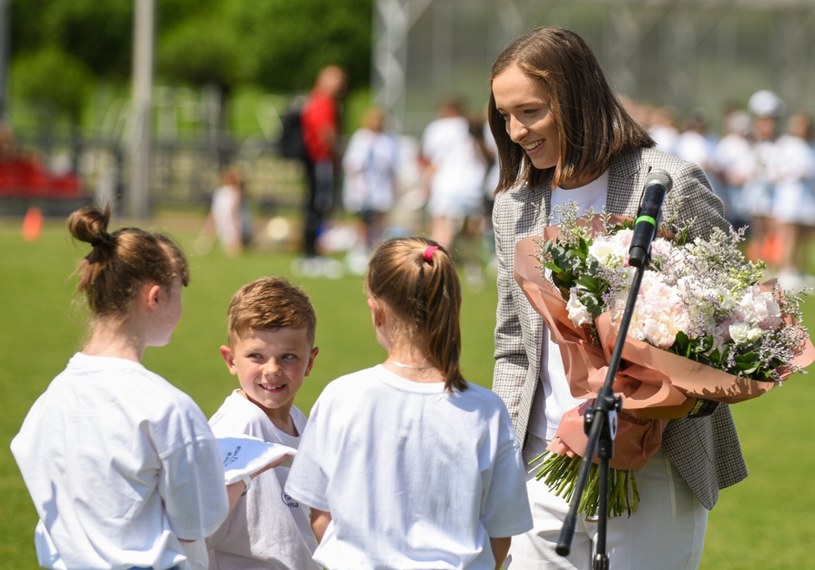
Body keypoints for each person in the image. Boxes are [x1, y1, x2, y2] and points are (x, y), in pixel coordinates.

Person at [487, 27, 745, 569]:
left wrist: (655, 402)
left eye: (529, 112)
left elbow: (734, 324)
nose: (515, 132)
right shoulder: (513, 204)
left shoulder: (670, 182)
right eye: (504, 116)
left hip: (656, 461)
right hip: (543, 459)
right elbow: (514, 343)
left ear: (575, 97)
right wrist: (506, 452)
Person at [10, 206, 259, 569]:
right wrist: (246, 476)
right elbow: (198, 523)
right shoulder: (166, 408)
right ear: (155, 296)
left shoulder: (48, 403)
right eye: (180, 290)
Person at [285, 237, 532, 569]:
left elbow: (319, 511)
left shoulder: (341, 397)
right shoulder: (486, 411)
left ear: (377, 311)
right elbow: (501, 533)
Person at [206, 277, 321, 569]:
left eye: (288, 357)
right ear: (230, 359)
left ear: (309, 362)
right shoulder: (237, 427)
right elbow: (200, 522)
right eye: (256, 356)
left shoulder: (299, 421)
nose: (272, 370)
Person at [419, 96, 490, 284]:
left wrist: (425, 183)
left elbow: (429, 158)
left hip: (444, 185)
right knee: (471, 233)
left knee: (441, 233)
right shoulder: (471, 125)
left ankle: (432, 268)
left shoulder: (437, 128)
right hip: (471, 185)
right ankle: (472, 268)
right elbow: (486, 154)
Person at [296, 65, 347, 276]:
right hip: (321, 159)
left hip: (316, 159)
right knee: (319, 205)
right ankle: (311, 254)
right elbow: (326, 132)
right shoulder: (323, 102)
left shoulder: (312, 100)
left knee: (315, 205)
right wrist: (338, 155)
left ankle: (312, 252)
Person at [341, 106, 400, 274]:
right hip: (363, 187)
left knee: (379, 220)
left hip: (381, 187)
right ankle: (359, 251)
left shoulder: (387, 140)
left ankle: (375, 251)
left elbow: (392, 164)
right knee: (363, 220)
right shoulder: (361, 138)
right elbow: (353, 163)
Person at [196, 165, 253, 257]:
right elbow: (233, 213)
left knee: (233, 249)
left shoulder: (222, 192)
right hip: (231, 225)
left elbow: (216, 213)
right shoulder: (231, 192)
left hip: (228, 225)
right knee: (233, 250)